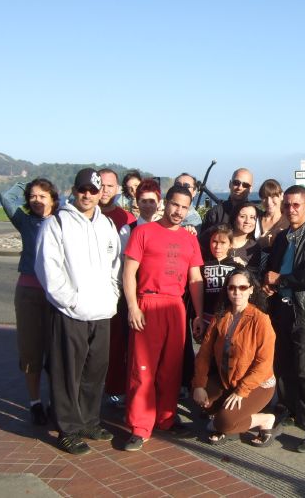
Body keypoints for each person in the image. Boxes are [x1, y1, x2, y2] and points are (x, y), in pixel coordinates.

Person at [35, 168, 121, 455]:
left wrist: (113, 295)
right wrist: (70, 301)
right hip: (69, 313)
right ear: (74, 190)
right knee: (66, 373)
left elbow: (115, 265)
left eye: (93, 191)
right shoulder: (57, 223)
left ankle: (88, 421)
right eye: (83, 189)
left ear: (100, 194)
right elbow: (48, 269)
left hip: (102, 312)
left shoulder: (107, 225)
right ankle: (67, 428)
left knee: (95, 371)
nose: (88, 195)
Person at [122, 185, 204, 452]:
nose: (179, 211)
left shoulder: (190, 238)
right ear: (164, 203)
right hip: (148, 302)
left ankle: (167, 419)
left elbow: (195, 279)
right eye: (175, 205)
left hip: (175, 306)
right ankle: (139, 426)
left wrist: (200, 314)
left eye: (184, 207)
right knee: (142, 369)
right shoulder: (143, 232)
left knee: (172, 369)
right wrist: (133, 307)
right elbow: (129, 272)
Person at [263, 185, 305, 453]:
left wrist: (281, 280)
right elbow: (273, 270)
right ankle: (291, 410)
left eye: (296, 205)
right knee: (283, 364)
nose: (291, 210)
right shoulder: (282, 238)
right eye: (287, 205)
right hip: (280, 309)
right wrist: (270, 284)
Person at [192, 268, 279, 446]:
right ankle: (225, 415)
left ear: (251, 289)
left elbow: (264, 363)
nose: (237, 292)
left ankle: (264, 420)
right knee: (201, 397)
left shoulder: (261, 320)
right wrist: (199, 384)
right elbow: (204, 354)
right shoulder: (221, 317)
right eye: (232, 288)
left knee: (223, 422)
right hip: (229, 380)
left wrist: (242, 391)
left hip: (257, 385)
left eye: (242, 287)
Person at [0, 178, 58, 425]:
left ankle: (57, 403)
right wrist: (25, 183)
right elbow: (5, 197)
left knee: (56, 353)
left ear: (54, 199)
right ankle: (35, 403)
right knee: (31, 350)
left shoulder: (62, 220)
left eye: (42, 196)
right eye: (32, 196)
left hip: (56, 294)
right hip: (29, 293)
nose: (36, 200)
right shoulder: (25, 221)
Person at [98, 168, 136, 408]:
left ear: (117, 189)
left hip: (118, 292)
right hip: (88, 292)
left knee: (117, 343)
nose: (104, 190)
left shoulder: (127, 220)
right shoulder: (82, 216)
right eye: (100, 185)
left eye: (110, 186)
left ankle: (114, 388)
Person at [201, 225, 240, 333]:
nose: (218, 246)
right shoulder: (202, 266)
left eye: (223, 243)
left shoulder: (237, 267)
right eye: (214, 241)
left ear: (230, 245)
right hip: (206, 317)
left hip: (229, 317)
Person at [256, 179, 288, 250]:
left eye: (273, 196)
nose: (269, 202)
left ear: (281, 195)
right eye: (265, 197)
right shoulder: (254, 220)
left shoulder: (289, 221)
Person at [228, 202, 261, 269]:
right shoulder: (221, 240)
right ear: (234, 219)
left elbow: (255, 275)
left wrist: (244, 265)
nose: (247, 221)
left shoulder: (254, 247)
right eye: (242, 216)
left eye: (252, 217)